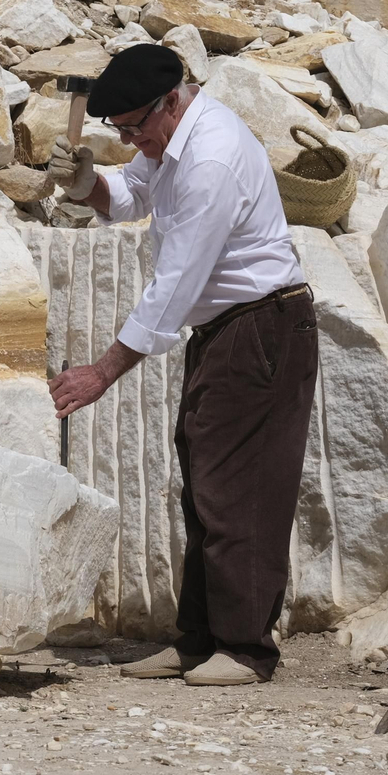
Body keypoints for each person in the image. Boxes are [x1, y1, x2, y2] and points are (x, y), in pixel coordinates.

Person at [47, 44, 319, 687]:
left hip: (263, 327)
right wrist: (87, 181)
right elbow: (134, 193)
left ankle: (247, 649)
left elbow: (174, 282)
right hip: (227, 330)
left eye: (137, 126)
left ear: (172, 100)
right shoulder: (169, 140)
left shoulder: (213, 156)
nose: (132, 140)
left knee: (239, 488)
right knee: (203, 482)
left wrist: (103, 372)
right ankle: (199, 639)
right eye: (120, 131)